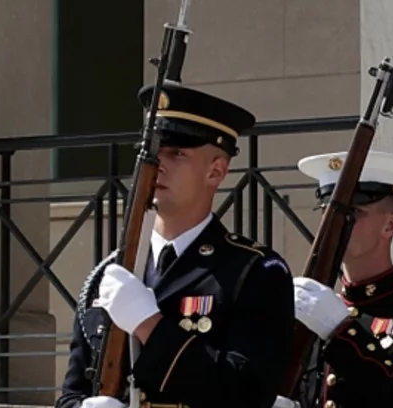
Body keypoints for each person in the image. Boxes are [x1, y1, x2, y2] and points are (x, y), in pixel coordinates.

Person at [58, 84, 294, 408]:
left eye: (177, 153)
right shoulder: (110, 274)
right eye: (153, 154)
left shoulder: (255, 272)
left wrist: (150, 327)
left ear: (216, 171)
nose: (159, 165)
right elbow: (72, 394)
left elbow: (247, 393)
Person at [287, 149, 393, 408]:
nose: (334, 224)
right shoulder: (315, 310)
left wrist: (343, 333)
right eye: (327, 213)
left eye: (352, 213)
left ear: (390, 225)